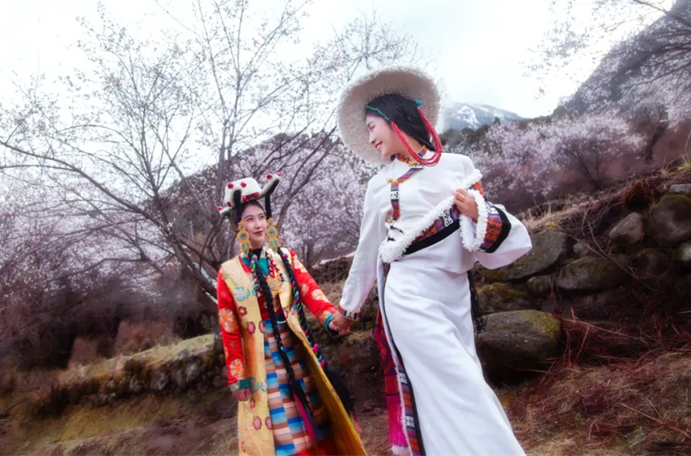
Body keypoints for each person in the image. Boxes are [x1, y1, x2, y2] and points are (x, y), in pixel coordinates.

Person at [330, 66, 533, 456]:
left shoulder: (457, 166)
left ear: (395, 119)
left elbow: (484, 234)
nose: (370, 138)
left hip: (454, 294)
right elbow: (368, 251)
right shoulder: (379, 186)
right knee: (460, 383)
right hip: (409, 296)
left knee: (462, 381)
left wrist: (476, 211)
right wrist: (348, 308)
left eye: (373, 127)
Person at [215, 174, 366, 456]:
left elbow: (310, 291)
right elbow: (230, 328)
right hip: (262, 362)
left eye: (261, 217)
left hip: (296, 349)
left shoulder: (284, 258)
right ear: (237, 227)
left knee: (317, 415)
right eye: (249, 219)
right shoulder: (228, 273)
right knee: (282, 427)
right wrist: (238, 377)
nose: (258, 224)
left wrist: (330, 318)